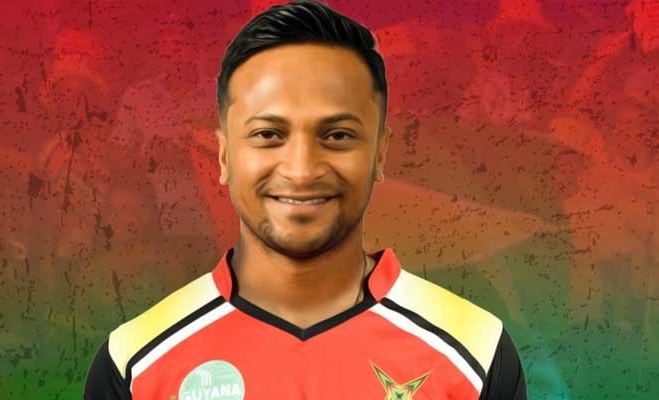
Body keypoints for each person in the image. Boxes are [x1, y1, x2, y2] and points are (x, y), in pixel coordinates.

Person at [84, 1, 527, 399]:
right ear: (223, 155)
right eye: (268, 134)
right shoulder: (134, 365)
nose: (301, 170)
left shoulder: (476, 353)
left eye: (337, 135)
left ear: (380, 154)